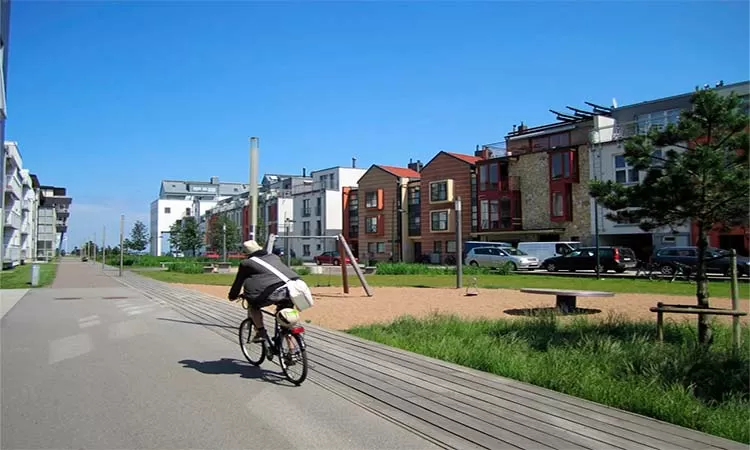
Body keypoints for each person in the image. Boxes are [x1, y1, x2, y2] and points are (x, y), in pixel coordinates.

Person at [228, 240, 301, 342]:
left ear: (246, 253)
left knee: (253, 306)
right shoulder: (274, 256)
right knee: (285, 322)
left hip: (271, 291)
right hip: (291, 288)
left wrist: (232, 296)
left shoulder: (246, 263)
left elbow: (238, 282)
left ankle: (261, 332)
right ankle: (292, 350)